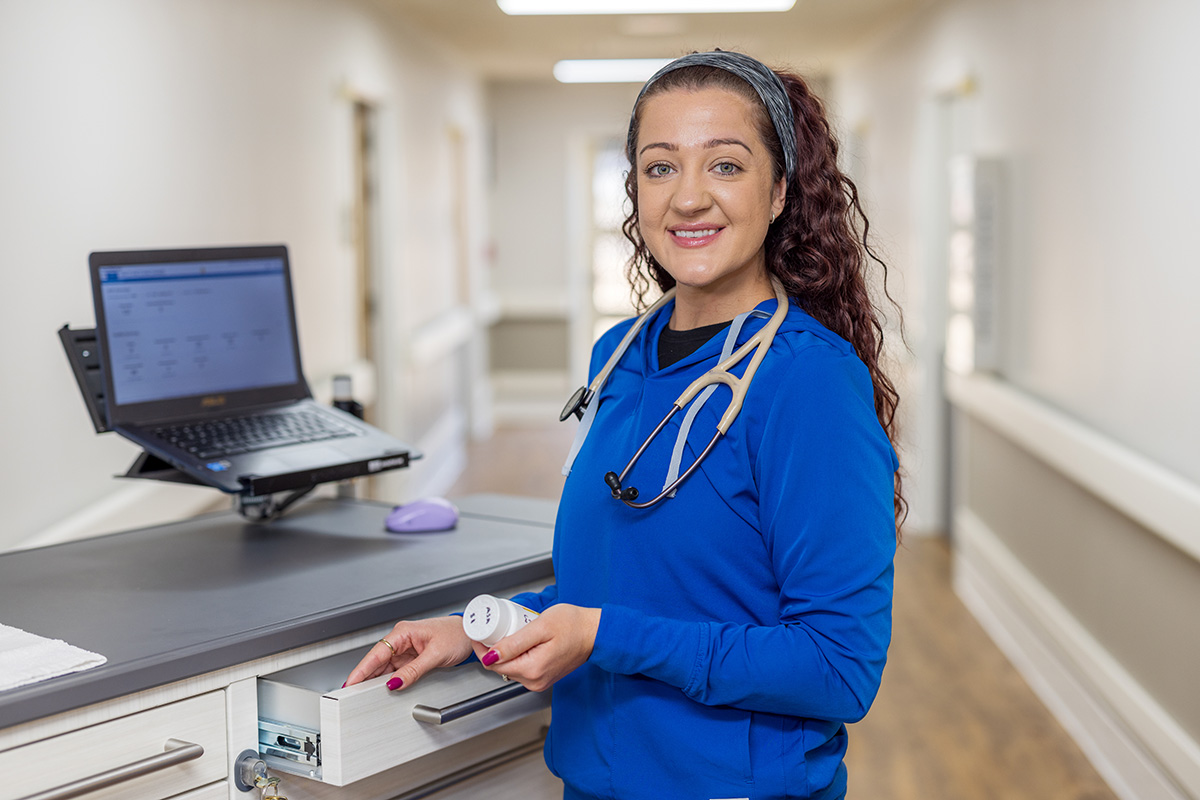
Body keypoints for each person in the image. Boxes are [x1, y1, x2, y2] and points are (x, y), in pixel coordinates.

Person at [346, 49, 903, 800]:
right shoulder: (622, 355)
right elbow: (622, 588)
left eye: (727, 166)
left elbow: (839, 666)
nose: (689, 198)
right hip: (594, 781)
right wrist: (480, 629)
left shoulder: (808, 382)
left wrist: (604, 637)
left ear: (779, 192)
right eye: (661, 167)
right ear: (635, 188)